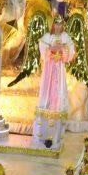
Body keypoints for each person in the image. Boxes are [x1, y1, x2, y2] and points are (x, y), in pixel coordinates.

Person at [32, 17, 75, 148]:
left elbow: (70, 51)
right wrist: (51, 49)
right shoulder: (47, 36)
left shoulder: (65, 36)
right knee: (47, 90)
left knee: (58, 90)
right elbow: (42, 47)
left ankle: (55, 135)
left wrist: (62, 50)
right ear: (53, 25)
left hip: (59, 68)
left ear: (62, 26)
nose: (57, 27)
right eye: (56, 24)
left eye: (60, 25)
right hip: (49, 69)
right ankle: (42, 134)